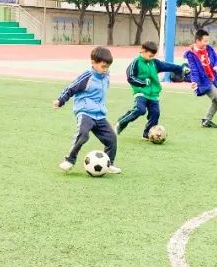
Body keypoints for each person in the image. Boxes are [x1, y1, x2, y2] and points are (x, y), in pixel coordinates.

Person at [54, 46, 121, 174]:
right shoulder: (87, 76)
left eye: (108, 67)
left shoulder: (106, 76)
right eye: (103, 66)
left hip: (99, 115)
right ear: (93, 63)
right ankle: (69, 160)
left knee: (111, 137)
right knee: (83, 134)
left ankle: (109, 163)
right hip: (85, 112)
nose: (106, 70)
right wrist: (60, 100)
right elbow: (71, 88)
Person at [116, 41, 184, 140]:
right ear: (143, 51)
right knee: (140, 109)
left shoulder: (154, 63)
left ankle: (147, 134)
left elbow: (167, 66)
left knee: (155, 113)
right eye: (150, 55)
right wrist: (142, 83)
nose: (152, 58)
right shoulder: (136, 62)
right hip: (141, 92)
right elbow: (130, 77)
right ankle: (122, 122)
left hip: (154, 94)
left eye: (153, 56)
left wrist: (179, 68)